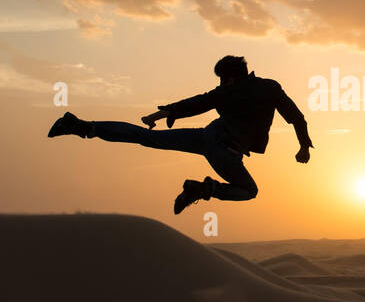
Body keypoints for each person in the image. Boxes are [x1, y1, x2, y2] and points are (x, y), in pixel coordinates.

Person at [47, 55, 313, 214]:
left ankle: (81, 126)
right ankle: (202, 188)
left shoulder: (226, 91)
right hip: (226, 151)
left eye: (222, 78)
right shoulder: (270, 88)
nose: (220, 84)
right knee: (248, 191)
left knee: (145, 137)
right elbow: (296, 117)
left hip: (208, 136)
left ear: (230, 78)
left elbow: (198, 102)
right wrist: (303, 147)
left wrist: (162, 114)